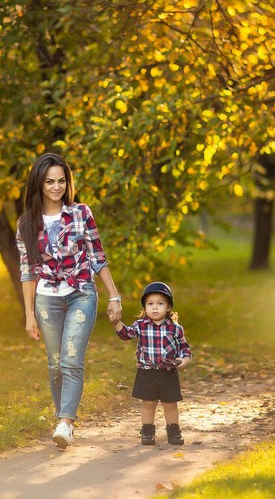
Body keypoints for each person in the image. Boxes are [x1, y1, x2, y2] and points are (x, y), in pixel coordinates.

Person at [16, 153, 123, 449]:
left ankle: (65, 423)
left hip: (81, 294)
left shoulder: (81, 213)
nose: (56, 187)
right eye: (49, 181)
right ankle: (62, 418)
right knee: (55, 363)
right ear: (38, 184)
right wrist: (29, 315)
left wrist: (114, 296)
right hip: (46, 300)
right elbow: (27, 272)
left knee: (72, 358)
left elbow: (98, 258)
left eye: (61, 181)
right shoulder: (26, 223)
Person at [111, 281, 192, 446]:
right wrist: (116, 323)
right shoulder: (140, 326)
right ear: (145, 307)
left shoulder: (176, 329)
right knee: (148, 403)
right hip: (147, 372)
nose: (155, 308)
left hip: (168, 372)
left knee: (170, 403)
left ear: (168, 307)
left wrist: (184, 360)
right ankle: (147, 431)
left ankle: (174, 430)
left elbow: (184, 348)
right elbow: (126, 334)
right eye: (150, 304)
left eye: (160, 303)